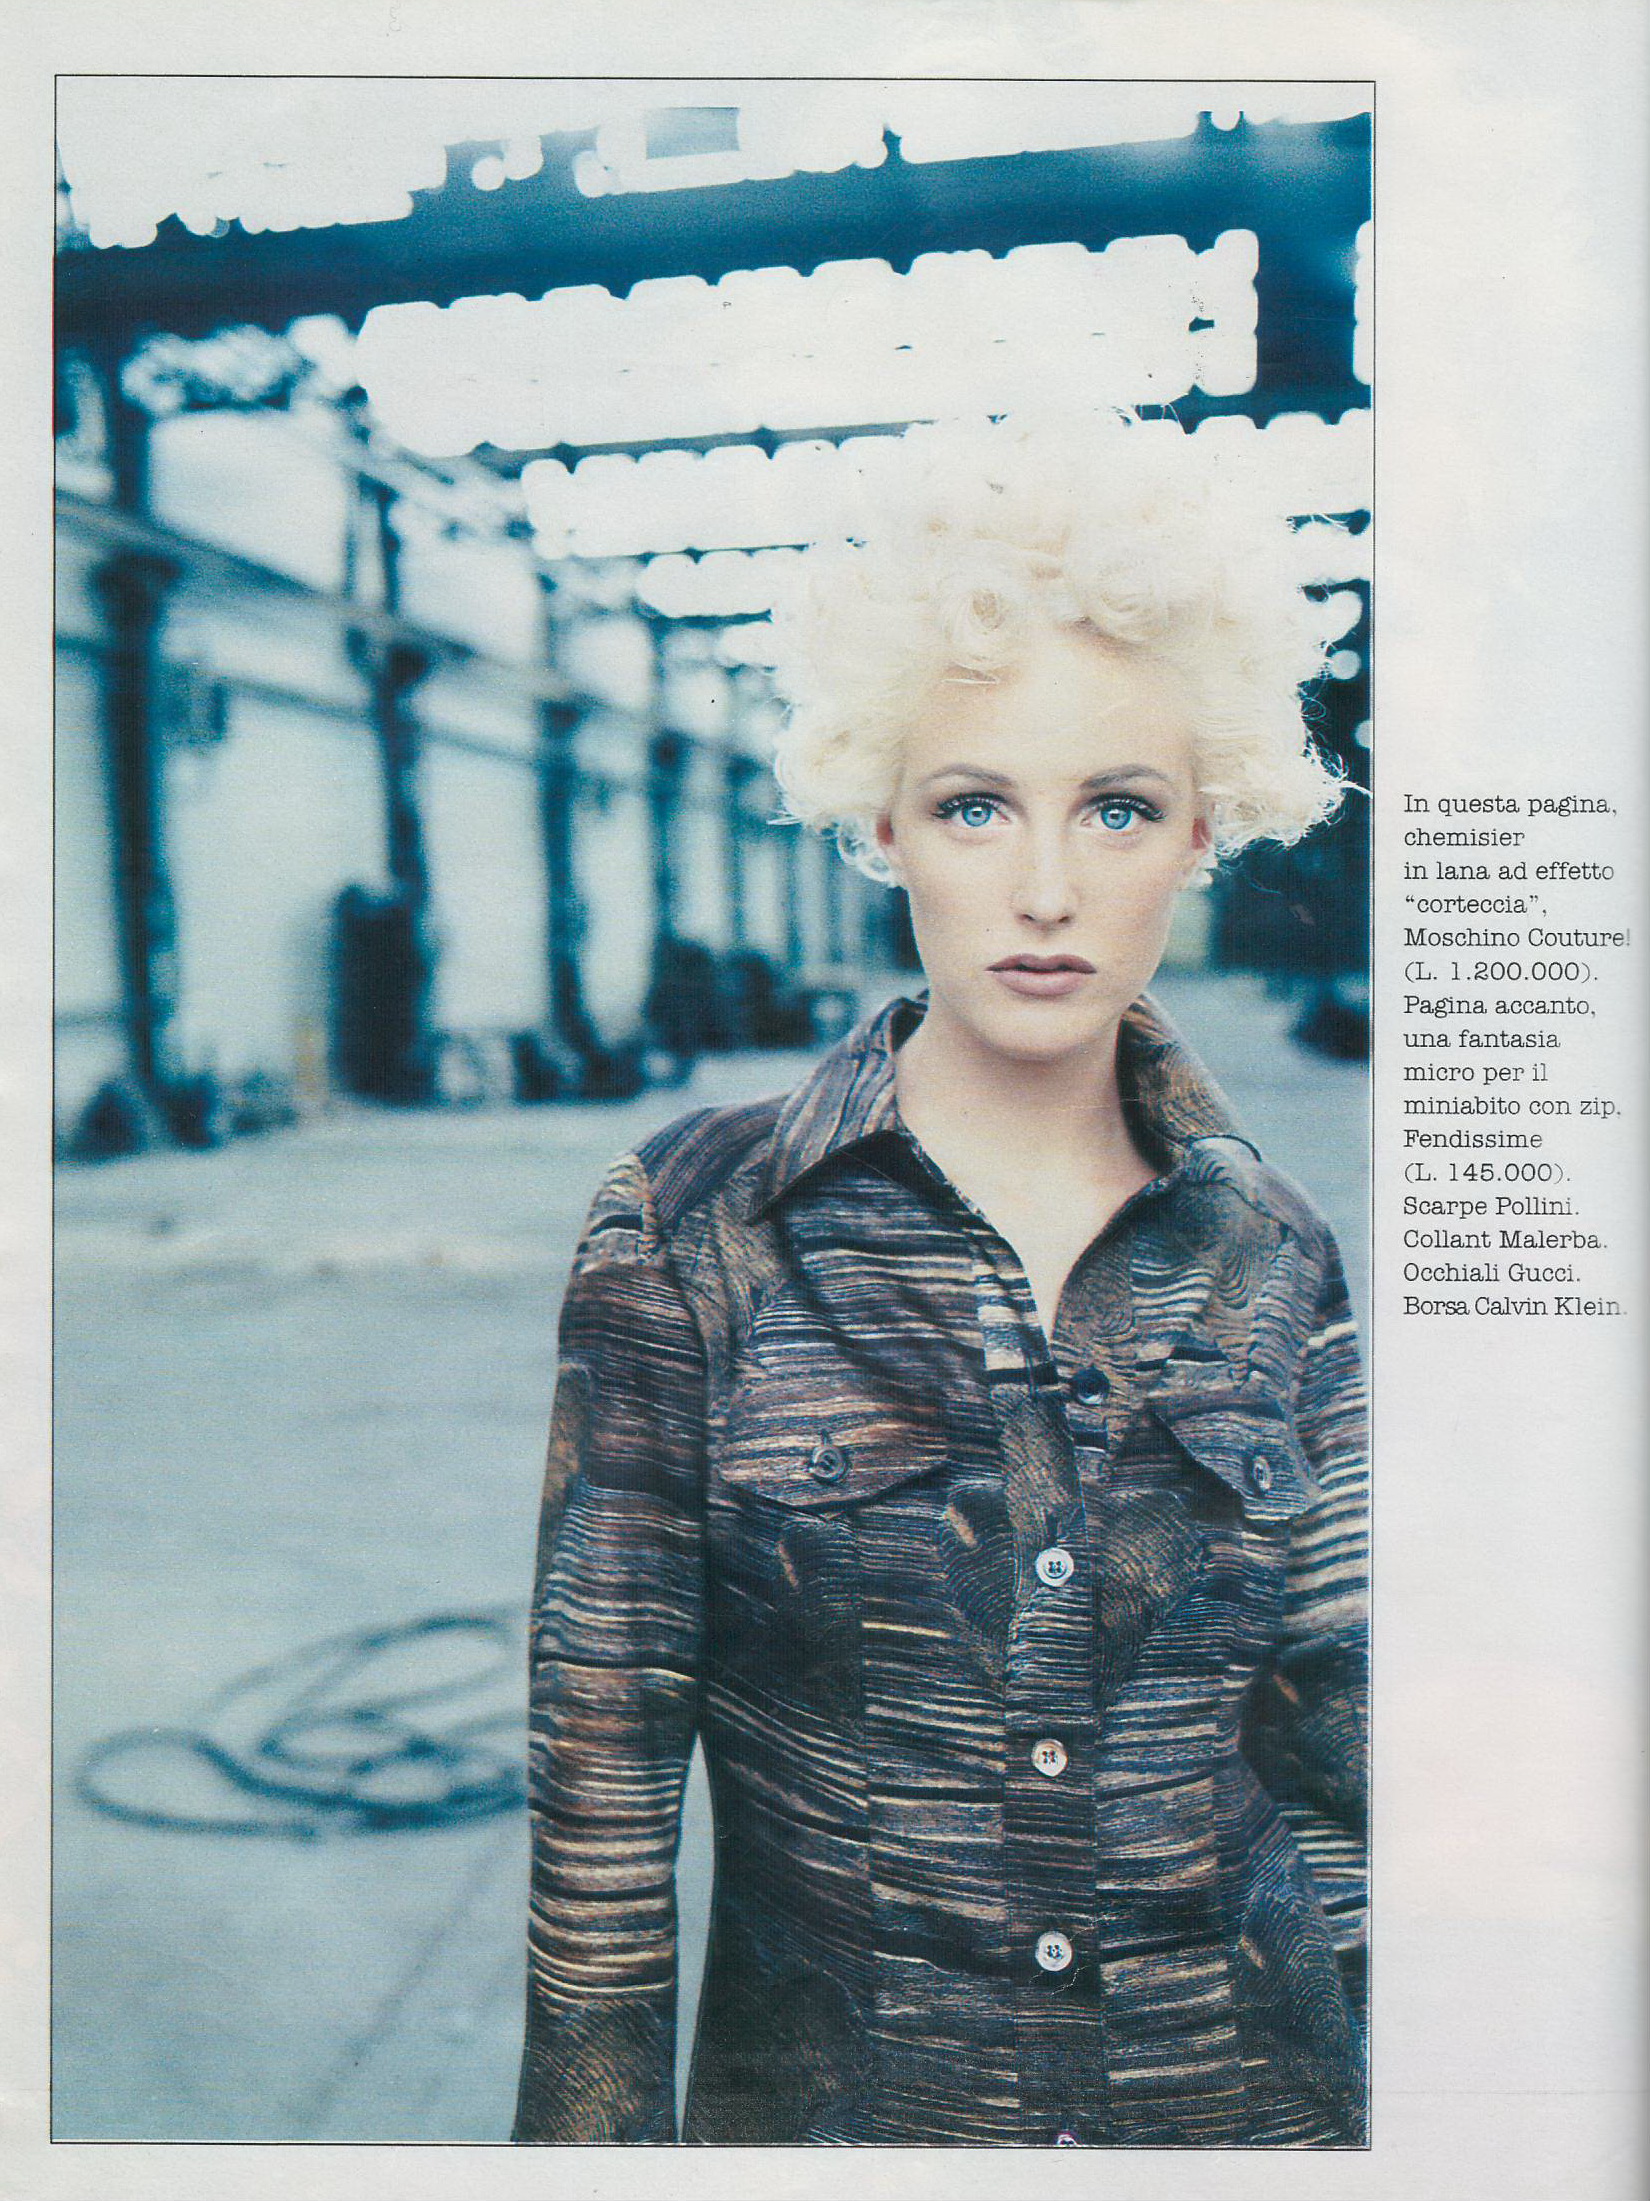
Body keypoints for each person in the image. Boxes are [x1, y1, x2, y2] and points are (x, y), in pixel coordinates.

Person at [512, 414, 1368, 2148]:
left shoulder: (1275, 1249)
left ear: (1203, 830)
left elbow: (1340, 1749)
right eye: (974, 805)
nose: (1045, 890)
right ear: (882, 823)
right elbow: (601, 1783)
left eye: (1117, 808)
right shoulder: (690, 1227)